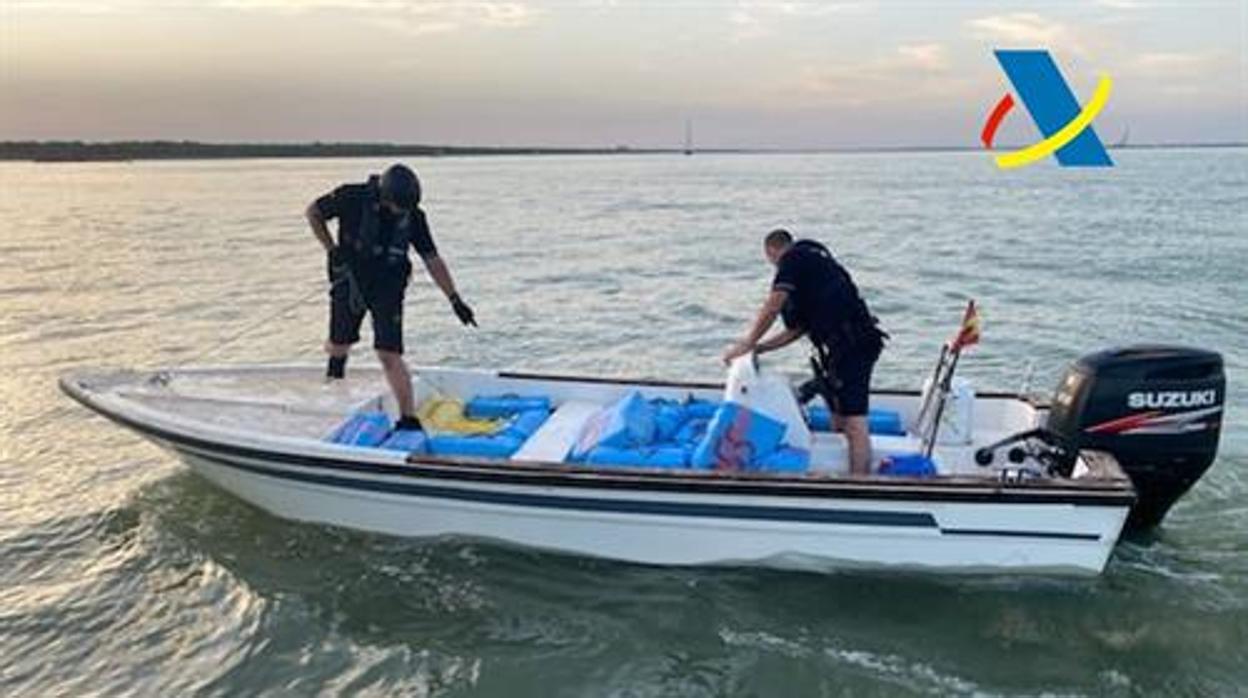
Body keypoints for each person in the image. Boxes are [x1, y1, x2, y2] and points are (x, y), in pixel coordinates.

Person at [305, 164, 476, 431]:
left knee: (389, 352)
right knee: (339, 344)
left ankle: (407, 417)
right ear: (385, 197)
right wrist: (331, 248)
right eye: (399, 207)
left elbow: (432, 258)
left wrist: (455, 299)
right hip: (350, 281)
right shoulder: (352, 196)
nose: (403, 213)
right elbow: (313, 212)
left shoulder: (414, 217)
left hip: (388, 286)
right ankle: (334, 387)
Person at [722, 228, 886, 475]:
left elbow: (773, 305)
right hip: (839, 348)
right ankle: (841, 471)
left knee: (854, 423)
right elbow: (796, 330)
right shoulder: (811, 271)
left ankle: (860, 484)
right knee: (838, 417)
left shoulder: (794, 258)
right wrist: (759, 349)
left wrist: (747, 342)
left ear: (772, 251)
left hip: (855, 344)